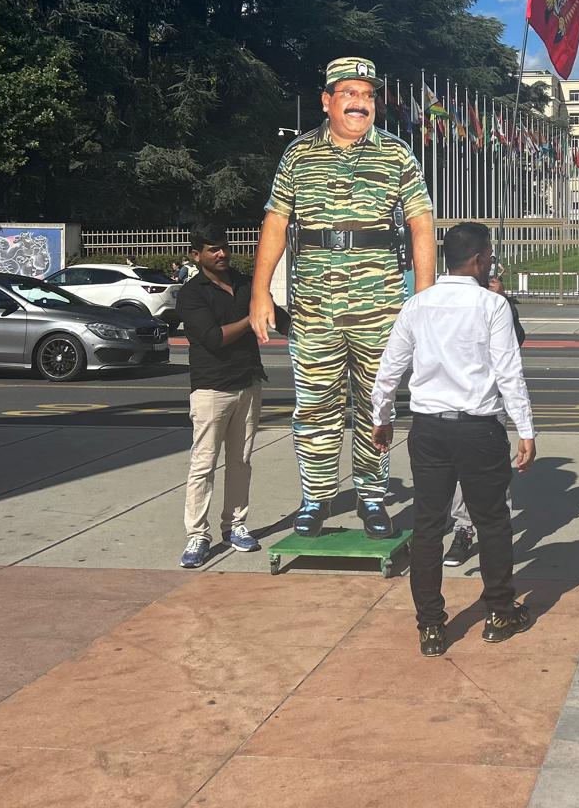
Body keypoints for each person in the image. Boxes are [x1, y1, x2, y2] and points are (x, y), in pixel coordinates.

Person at [249, 57, 437, 539]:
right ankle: (316, 498)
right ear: (327, 101)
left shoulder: (396, 154)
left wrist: (424, 298)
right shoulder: (298, 154)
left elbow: (421, 223)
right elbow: (276, 222)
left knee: (376, 405)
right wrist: (259, 292)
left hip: (380, 308)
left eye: (368, 95)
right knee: (315, 407)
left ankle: (372, 497)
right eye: (349, 93)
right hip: (314, 309)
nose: (360, 103)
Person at [371, 222, 535, 657]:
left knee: (428, 525)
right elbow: (509, 372)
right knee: (492, 521)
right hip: (478, 428)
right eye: (490, 256)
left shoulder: (417, 305)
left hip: (428, 429)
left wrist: (381, 417)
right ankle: (499, 613)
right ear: (479, 259)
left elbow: (390, 368)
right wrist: (526, 429)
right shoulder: (492, 305)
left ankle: (430, 626)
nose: (492, 263)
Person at [176, 228, 265, 568]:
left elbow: (276, 313)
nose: (222, 254)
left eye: (224, 248)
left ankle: (235, 526)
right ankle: (198, 535)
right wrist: (252, 319)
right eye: (213, 249)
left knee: (241, 461)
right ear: (196, 255)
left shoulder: (245, 284)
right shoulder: (191, 294)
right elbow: (214, 338)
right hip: (211, 389)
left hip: (248, 383)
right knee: (203, 465)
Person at [446, 263, 526, 567]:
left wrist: (503, 302)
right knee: (460, 470)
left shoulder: (496, 302)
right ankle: (463, 528)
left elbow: (517, 341)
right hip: (456, 394)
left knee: (495, 472)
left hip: (490, 399)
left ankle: (498, 533)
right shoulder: (450, 298)